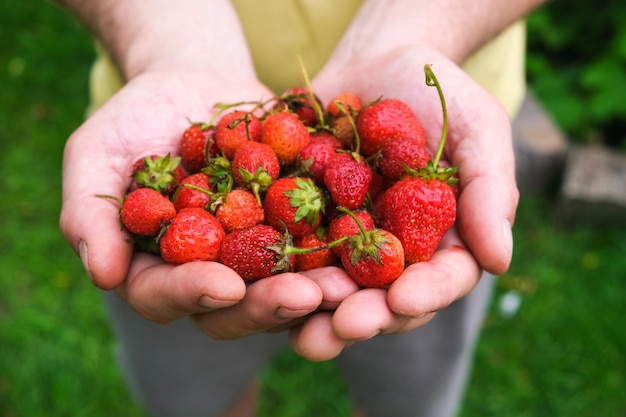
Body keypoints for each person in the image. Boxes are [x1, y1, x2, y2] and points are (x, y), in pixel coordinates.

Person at [56, 1, 544, 416]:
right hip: (163, 59)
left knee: (407, 397)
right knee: (194, 400)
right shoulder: (242, 188)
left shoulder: (381, 180)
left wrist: (418, 35)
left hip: (443, 56)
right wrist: (164, 48)